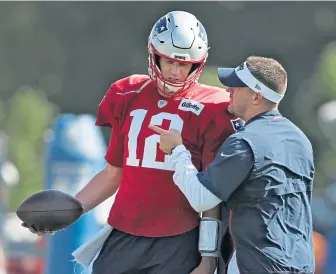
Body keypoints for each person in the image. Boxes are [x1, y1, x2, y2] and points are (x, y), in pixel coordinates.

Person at [22, 11, 243, 274]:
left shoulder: (213, 107)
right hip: (124, 231)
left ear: (197, 64)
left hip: (179, 236)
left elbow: (211, 195)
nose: (175, 71)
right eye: (169, 61)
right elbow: (112, 173)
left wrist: (208, 257)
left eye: (184, 65)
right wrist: (72, 208)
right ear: (154, 55)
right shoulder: (127, 93)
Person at [151, 56, 316, 273]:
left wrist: (177, 150)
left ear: (256, 96)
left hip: (257, 265)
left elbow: (201, 198)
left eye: (237, 86)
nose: (228, 90)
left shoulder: (244, 141)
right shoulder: (301, 140)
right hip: (301, 264)